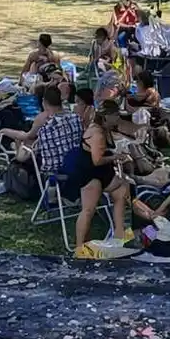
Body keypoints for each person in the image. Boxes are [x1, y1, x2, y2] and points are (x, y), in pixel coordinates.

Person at [72, 99, 131, 256]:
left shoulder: (104, 128)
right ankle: (79, 248)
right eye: (116, 116)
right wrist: (115, 157)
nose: (118, 119)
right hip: (90, 174)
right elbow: (96, 161)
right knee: (88, 210)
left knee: (122, 189)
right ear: (108, 116)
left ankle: (119, 234)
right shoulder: (97, 133)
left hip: (102, 172)